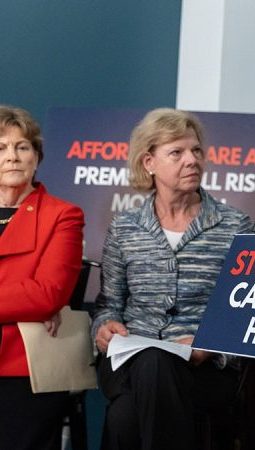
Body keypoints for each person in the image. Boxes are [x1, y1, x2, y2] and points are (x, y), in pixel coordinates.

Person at [92, 108, 252, 450]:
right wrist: (104, 327)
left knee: (124, 417)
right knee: (151, 362)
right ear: (149, 162)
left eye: (196, 150)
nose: (192, 160)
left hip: (204, 369)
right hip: (129, 361)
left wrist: (209, 345)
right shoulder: (125, 227)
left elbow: (244, 310)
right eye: (177, 152)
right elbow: (109, 304)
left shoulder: (234, 225)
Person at [0, 105, 85, 450]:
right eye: (1, 147)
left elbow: (47, 294)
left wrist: (39, 304)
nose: (12, 156)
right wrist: (22, 300)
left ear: (36, 157)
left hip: (26, 364)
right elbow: (30, 296)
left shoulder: (63, 215)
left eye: (22, 147)